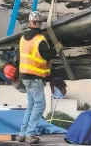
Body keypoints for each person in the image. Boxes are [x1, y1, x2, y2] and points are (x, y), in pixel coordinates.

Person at [17, 11, 59, 144]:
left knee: (31, 104)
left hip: (24, 75)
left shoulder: (23, 38)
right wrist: (57, 49)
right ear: (40, 24)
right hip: (34, 77)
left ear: (30, 23)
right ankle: (30, 134)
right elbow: (48, 56)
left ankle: (22, 134)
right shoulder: (40, 39)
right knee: (40, 105)